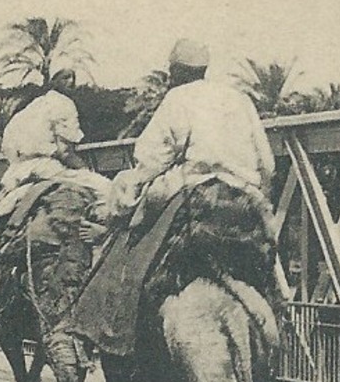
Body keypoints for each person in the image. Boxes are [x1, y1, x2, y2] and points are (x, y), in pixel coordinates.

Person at [66, 38, 280, 357]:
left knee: (129, 242)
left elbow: (151, 159)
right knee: (267, 269)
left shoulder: (177, 98)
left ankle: (108, 334)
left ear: (176, 71)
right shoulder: (240, 99)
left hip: (195, 187)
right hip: (243, 195)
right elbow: (268, 164)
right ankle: (276, 320)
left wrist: (126, 203)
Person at [0, 69, 112, 278]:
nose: (71, 83)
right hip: (48, 166)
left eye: (72, 78)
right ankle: (103, 247)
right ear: (54, 81)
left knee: (8, 199)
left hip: (17, 170)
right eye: (66, 78)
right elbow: (66, 151)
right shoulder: (64, 104)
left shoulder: (28, 109)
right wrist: (85, 169)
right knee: (106, 190)